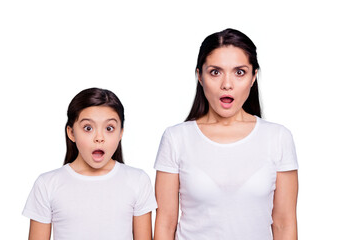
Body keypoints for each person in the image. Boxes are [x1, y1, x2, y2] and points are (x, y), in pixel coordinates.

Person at [154, 28, 298, 240]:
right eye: (215, 72)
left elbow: (285, 224)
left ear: (253, 77)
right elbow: (166, 223)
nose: (227, 84)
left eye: (239, 72)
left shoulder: (278, 138)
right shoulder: (176, 138)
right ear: (200, 77)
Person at [23, 88, 157, 240]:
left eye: (109, 128)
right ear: (71, 132)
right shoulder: (47, 184)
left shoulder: (137, 181)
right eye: (88, 128)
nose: (99, 138)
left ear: (120, 133)